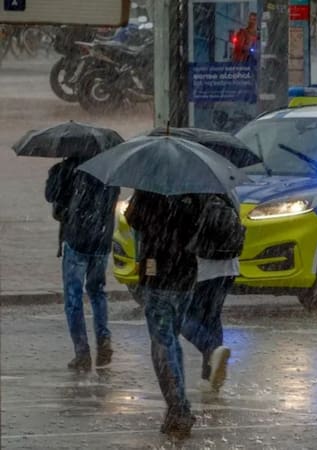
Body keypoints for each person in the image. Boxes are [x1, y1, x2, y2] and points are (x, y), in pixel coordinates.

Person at [125, 191, 203, 439]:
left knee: (163, 343)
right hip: (186, 277)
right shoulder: (196, 189)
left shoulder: (150, 189)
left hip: (158, 275)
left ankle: (178, 409)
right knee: (171, 340)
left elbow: (133, 219)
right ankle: (178, 407)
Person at [46, 158, 120, 371]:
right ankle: (104, 338)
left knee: (73, 297)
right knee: (97, 292)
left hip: (77, 240)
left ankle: (82, 352)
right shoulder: (108, 171)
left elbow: (52, 198)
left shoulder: (68, 169)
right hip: (101, 242)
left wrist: (58, 172)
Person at [180, 192, 244, 394]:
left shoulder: (191, 192)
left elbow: (183, 229)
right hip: (229, 266)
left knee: (179, 316)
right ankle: (209, 377)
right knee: (212, 317)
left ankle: (211, 350)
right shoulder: (228, 189)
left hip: (202, 267)